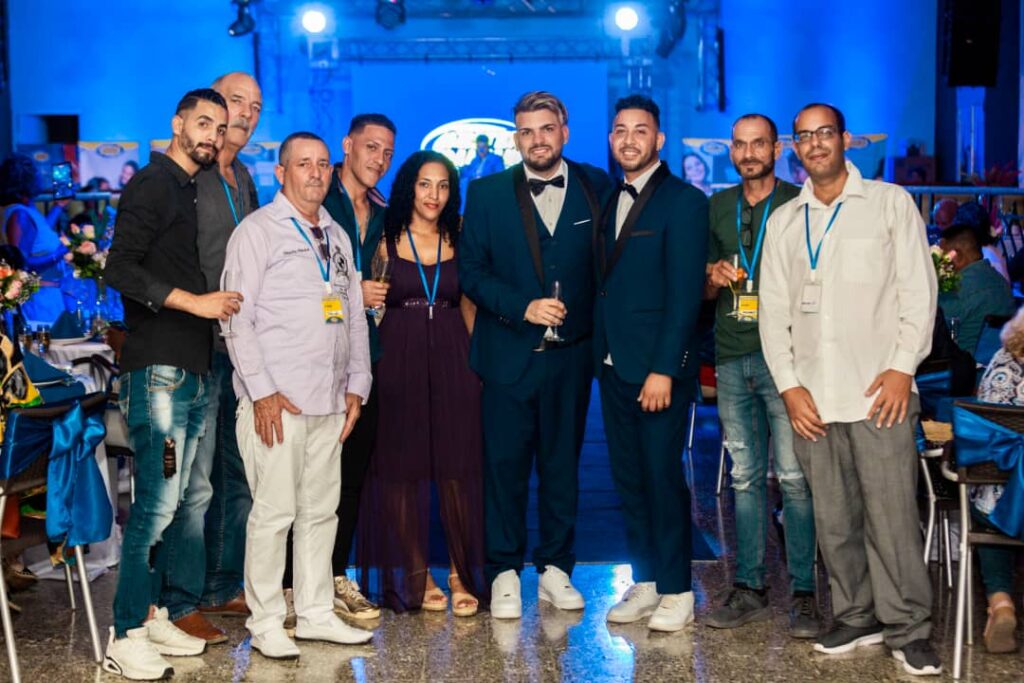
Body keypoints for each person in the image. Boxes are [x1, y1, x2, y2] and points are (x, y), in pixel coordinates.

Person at [759, 103, 940, 676]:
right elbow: (773, 315)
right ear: (795, 147)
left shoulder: (889, 204)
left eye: (825, 133)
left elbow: (919, 293)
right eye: (804, 136)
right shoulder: (785, 222)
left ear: (845, 140)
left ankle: (908, 628)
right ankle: (857, 615)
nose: (815, 144)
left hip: (878, 392)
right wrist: (789, 387)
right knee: (834, 520)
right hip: (813, 399)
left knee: (891, 517)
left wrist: (903, 368)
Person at [102, 88, 240, 681]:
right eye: (203, 123)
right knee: (156, 505)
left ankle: (154, 612)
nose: (212, 135)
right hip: (158, 370)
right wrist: (197, 302)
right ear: (178, 123)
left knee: (177, 501)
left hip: (192, 368)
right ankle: (125, 632)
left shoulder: (188, 187)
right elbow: (118, 268)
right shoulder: (154, 183)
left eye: (220, 128)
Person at [459, 91, 611, 619]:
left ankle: (555, 569)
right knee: (503, 468)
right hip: (506, 354)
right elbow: (471, 273)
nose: (537, 140)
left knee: (562, 467)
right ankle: (503, 570)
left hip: (571, 357)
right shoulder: (485, 193)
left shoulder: (596, 185)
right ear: (516, 138)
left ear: (564, 131)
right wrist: (522, 307)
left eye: (546, 129)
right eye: (526, 131)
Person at [224, 132, 373, 660]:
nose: (315, 173)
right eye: (303, 163)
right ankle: (266, 620)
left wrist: (358, 384)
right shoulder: (257, 231)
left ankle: (314, 613)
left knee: (320, 513)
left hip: (329, 401)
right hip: (277, 404)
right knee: (273, 515)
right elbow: (236, 319)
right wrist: (262, 392)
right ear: (281, 172)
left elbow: (352, 314)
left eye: (323, 164)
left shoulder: (335, 234)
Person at [702, 113, 817, 637]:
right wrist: (712, 274)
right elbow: (703, 287)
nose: (749, 153)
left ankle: (805, 594)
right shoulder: (717, 206)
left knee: (793, 479)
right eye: (740, 145)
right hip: (731, 357)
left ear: (777, 149)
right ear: (731, 150)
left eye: (759, 144)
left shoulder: (800, 202)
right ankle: (748, 587)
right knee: (744, 479)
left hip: (786, 360)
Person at [595, 95, 707, 632]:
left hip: (658, 370)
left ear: (659, 140)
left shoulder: (684, 201)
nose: (629, 139)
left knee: (662, 478)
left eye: (641, 130)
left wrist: (665, 367)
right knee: (629, 478)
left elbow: (685, 294)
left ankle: (678, 588)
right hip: (613, 362)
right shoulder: (607, 197)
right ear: (611, 139)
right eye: (621, 130)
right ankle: (646, 579)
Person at [159, 72, 263, 644]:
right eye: (235, 102)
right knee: (192, 483)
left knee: (236, 474)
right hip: (192, 346)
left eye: (255, 106)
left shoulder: (242, 176)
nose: (245, 114)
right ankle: (180, 599)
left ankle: (222, 584)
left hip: (239, 346)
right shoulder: (185, 176)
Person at [357, 150, 484, 616]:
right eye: (425, 184)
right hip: (397, 357)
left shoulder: (461, 234)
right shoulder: (385, 236)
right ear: (409, 186)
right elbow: (363, 302)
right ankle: (416, 572)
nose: (434, 195)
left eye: (444, 185)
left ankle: (461, 572)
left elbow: (469, 303)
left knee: (458, 469)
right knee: (400, 471)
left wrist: (477, 365)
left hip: (453, 356)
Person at [289, 113, 396, 621]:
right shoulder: (316, 201)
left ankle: (333, 576)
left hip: (362, 359)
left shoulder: (382, 211)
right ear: (347, 146)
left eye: (387, 152)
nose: (379, 159)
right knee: (301, 482)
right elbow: (298, 282)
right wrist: (353, 292)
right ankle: (292, 587)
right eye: (371, 147)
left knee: (348, 478)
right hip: (311, 361)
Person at [971, 307, 1024, 654]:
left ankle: (1001, 602)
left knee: (990, 505)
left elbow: (983, 437)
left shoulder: (1002, 364)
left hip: (1000, 501)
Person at [0, 153, 67, 322]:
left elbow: (39, 234)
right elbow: (21, 264)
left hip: (46, 297)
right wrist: (59, 253)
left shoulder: (23, 210)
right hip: (38, 301)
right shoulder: (20, 214)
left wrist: (58, 207)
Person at [938, 223, 1015, 356]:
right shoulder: (1002, 282)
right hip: (1000, 364)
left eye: (942, 255)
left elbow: (930, 332)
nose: (940, 262)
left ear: (957, 256)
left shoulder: (955, 291)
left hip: (962, 364)